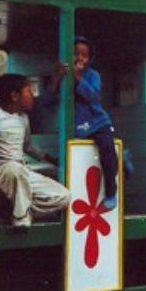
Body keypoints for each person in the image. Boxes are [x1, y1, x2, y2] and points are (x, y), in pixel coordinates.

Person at [47, 37, 119, 210]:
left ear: (90, 58)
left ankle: (111, 194)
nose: (79, 58)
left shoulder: (92, 75)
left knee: (108, 151)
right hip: (75, 125)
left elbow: (93, 97)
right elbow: (47, 100)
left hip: (97, 122)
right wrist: (56, 79)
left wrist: (78, 77)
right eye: (75, 54)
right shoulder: (60, 75)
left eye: (84, 55)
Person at [0, 73, 70, 228]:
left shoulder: (24, 118)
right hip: (3, 171)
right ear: (15, 96)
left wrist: (51, 158)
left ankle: (20, 211)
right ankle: (21, 218)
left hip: (22, 170)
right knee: (14, 169)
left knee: (64, 197)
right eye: (28, 91)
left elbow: (28, 146)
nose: (32, 96)